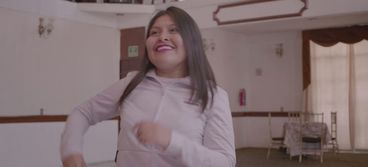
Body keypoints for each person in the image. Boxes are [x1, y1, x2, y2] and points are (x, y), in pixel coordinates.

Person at [60, 6, 236, 167]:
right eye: (154, 32)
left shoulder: (214, 96)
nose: (162, 37)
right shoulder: (131, 83)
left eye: (173, 30)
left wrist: (172, 142)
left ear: (192, 42)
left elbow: (225, 162)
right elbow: (82, 113)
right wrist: (71, 151)